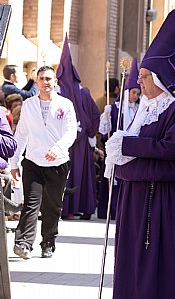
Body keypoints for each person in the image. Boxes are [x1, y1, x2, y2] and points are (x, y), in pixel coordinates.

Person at [104, 9, 175, 298]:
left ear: (158, 77)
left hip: (160, 198)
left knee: (159, 260)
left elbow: (171, 149)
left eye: (144, 76)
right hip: (134, 196)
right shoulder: (143, 109)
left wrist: (127, 146)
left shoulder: (173, 110)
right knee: (131, 259)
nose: (139, 82)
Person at [10, 66, 77, 259]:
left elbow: (70, 132)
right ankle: (23, 243)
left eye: (48, 78)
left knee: (52, 206)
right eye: (41, 78)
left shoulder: (65, 104)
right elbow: (21, 134)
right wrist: (14, 162)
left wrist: (58, 149)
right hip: (33, 162)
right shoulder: (29, 105)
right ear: (36, 81)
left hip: (58, 163)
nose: (45, 82)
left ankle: (48, 242)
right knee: (31, 204)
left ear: (55, 81)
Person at [56, 36, 100, 220]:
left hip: (61, 142)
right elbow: (95, 115)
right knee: (80, 173)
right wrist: (89, 134)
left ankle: (66, 209)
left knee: (65, 173)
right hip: (81, 144)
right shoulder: (84, 93)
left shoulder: (58, 93)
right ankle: (83, 207)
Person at [97, 58, 141, 220]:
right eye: (133, 92)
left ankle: (124, 211)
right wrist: (106, 116)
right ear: (126, 92)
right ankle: (108, 210)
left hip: (131, 149)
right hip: (116, 148)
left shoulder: (139, 109)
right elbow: (103, 130)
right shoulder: (116, 108)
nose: (135, 96)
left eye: (138, 93)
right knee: (112, 180)